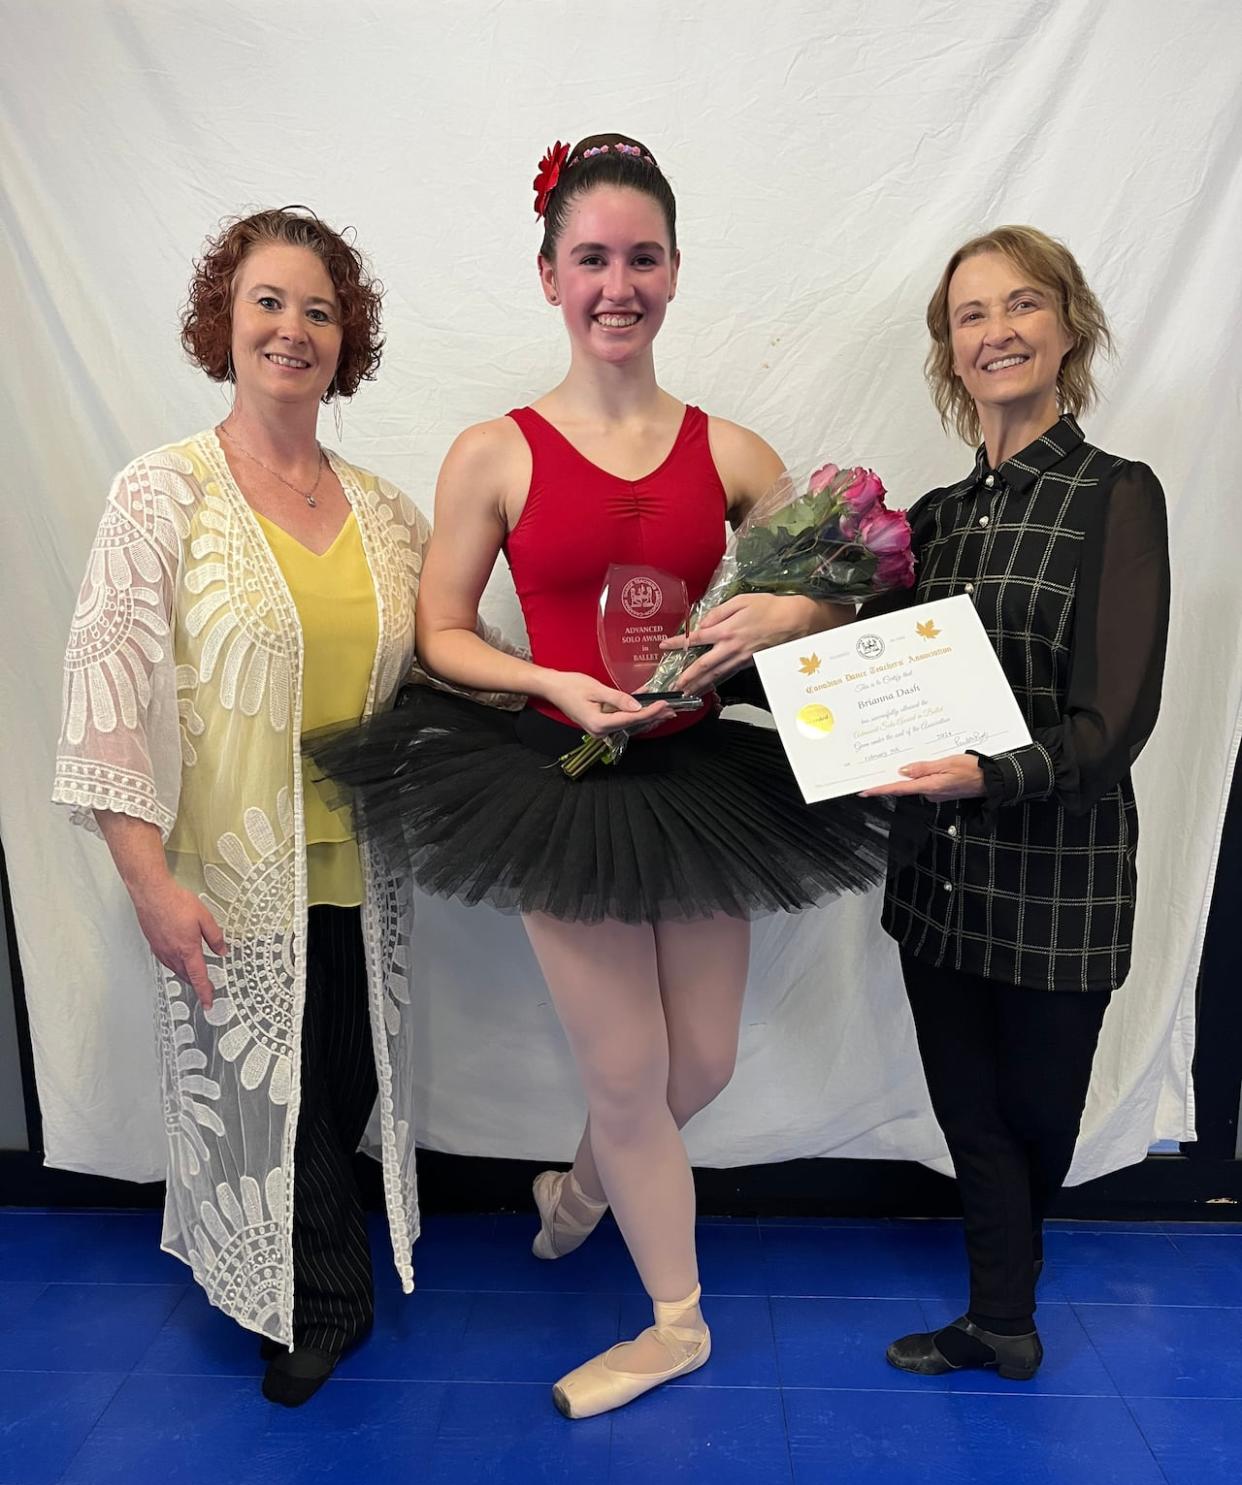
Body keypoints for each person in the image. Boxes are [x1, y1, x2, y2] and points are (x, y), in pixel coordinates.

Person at [309, 134, 889, 1418]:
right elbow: (444, 630)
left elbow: (820, 590)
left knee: (706, 1064)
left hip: (698, 783)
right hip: (557, 781)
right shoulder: (494, 452)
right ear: (549, 276)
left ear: (675, 272)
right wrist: (545, 680)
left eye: (640, 257)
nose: (615, 283)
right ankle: (676, 1321)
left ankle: (576, 1191)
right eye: (590, 259)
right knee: (628, 1074)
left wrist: (779, 619)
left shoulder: (733, 454)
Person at [52, 207, 512, 1406]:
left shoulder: (387, 511)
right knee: (278, 1089)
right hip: (224, 870)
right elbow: (104, 701)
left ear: (344, 339)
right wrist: (147, 883)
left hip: (363, 868)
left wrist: (561, 689)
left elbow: (443, 655)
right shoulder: (163, 495)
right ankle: (316, 1302)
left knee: (345, 1077)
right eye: (268, 301)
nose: (292, 328)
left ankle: (310, 1271)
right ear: (225, 318)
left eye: (318, 308)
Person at [861, 225, 1169, 1380]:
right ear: (949, 350)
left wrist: (991, 774)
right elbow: (871, 686)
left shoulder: (1116, 499)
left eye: (1021, 305)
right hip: (940, 876)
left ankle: (1007, 1300)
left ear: (1067, 326)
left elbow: (1115, 719)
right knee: (970, 1114)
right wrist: (745, 654)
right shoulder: (931, 520)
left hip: (1061, 878)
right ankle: (1004, 1319)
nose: (996, 332)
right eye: (971, 316)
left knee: (1038, 1115)